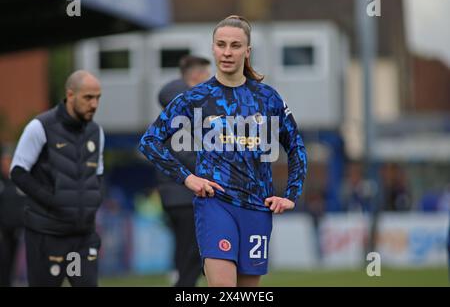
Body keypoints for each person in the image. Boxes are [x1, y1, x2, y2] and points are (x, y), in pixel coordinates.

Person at [139, 15, 307, 287]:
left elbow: (296, 146)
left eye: (235, 45)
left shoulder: (268, 98)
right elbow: (150, 141)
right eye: (221, 44)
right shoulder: (196, 97)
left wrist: (291, 194)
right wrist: (188, 178)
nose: (227, 52)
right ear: (213, 48)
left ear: (247, 51)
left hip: (257, 208)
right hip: (215, 205)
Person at [9, 70, 105, 287]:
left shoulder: (96, 132)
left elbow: (98, 175)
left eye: (98, 98)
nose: (94, 104)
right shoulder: (39, 127)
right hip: (47, 235)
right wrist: (54, 201)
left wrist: (93, 203)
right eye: (88, 97)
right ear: (70, 95)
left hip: (82, 237)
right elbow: (17, 171)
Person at [156, 55, 211, 287]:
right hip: (186, 195)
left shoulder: (178, 109)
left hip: (175, 195)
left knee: (186, 255)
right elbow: (185, 154)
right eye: (207, 76)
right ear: (196, 76)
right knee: (193, 257)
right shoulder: (184, 108)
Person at [0, 145, 26, 286]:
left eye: (8, 161)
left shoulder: (17, 182)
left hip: (15, 230)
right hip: (2, 231)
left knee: (10, 262)